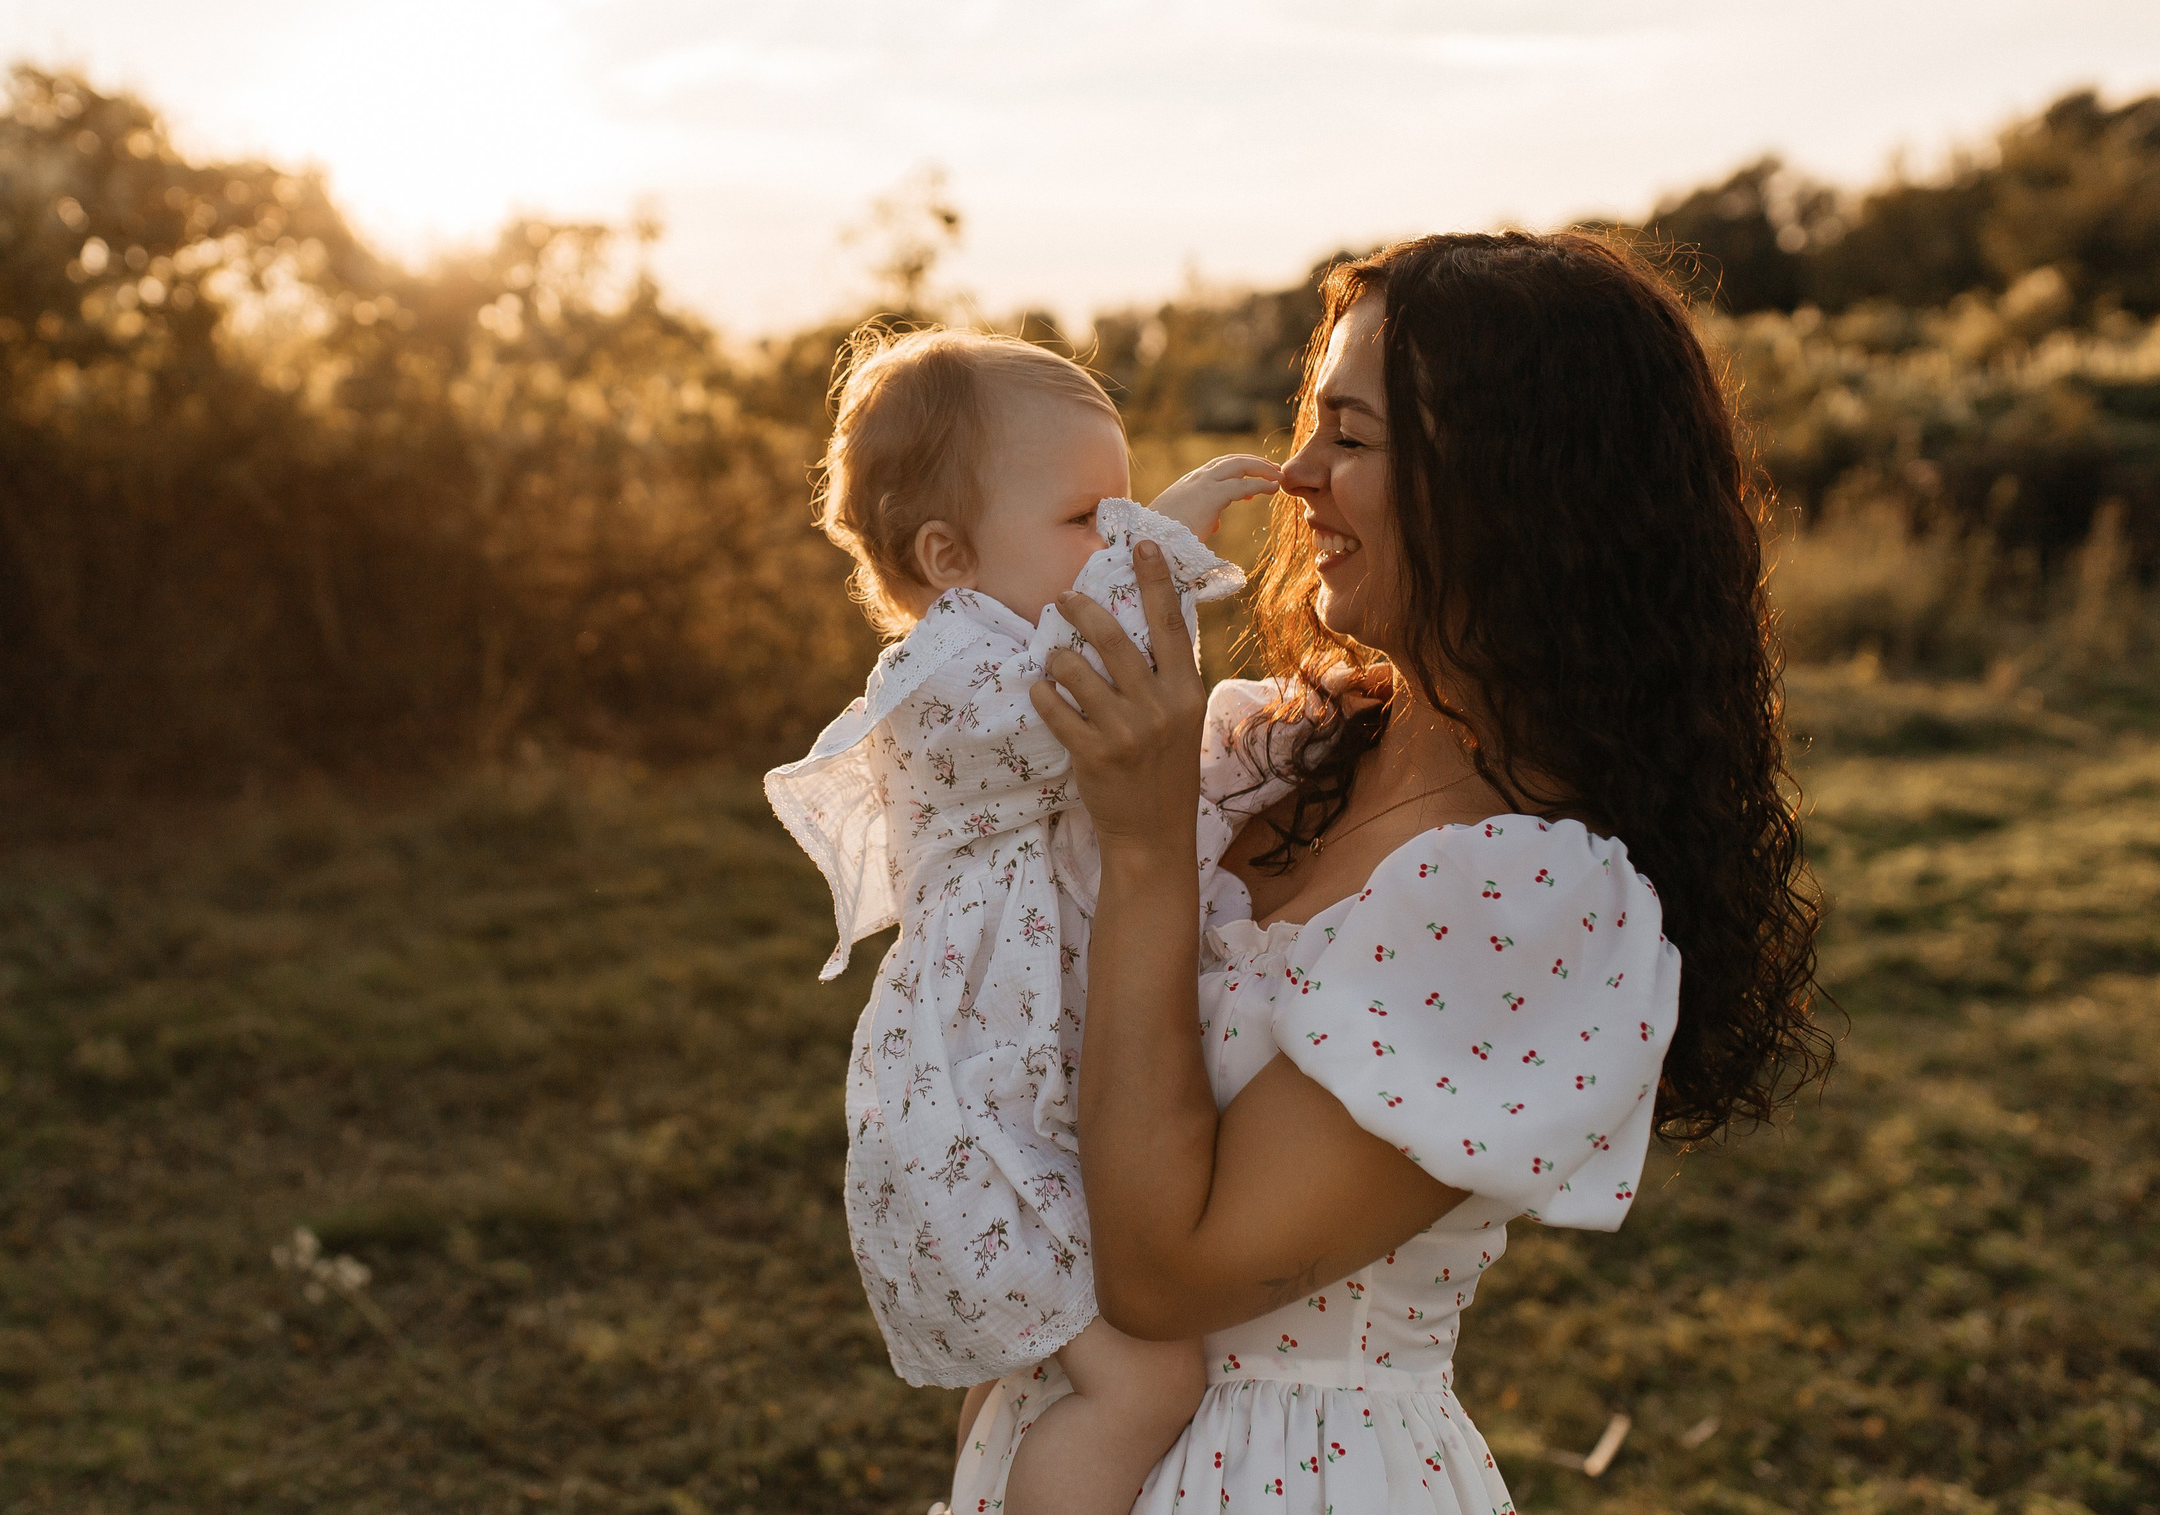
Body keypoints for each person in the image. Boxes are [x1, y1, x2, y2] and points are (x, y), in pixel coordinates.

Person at [946, 231, 1828, 1514]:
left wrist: (1142, 850)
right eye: (1312, 422)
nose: (1295, 474)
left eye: (1350, 437)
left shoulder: (1530, 902)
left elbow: (1166, 1276)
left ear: (1514, 485)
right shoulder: (1277, 753)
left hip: (1284, 1474)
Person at [766, 327, 1282, 1515]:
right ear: (947, 558)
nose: (1117, 539)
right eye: (1089, 519)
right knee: (1141, 1381)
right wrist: (1161, 543)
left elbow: (1165, 764)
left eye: (1123, 513)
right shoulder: (940, 677)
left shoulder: (1016, 651)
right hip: (979, 1101)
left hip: (1034, 1080)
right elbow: (1065, 710)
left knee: (1047, 1369)